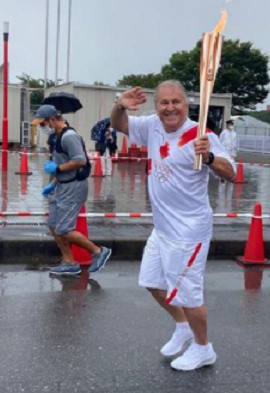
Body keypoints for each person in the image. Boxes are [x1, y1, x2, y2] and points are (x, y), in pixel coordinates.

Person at [111, 81, 235, 371]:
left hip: (189, 231)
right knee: (153, 283)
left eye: (175, 102)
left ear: (186, 104)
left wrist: (211, 158)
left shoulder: (200, 135)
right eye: (163, 102)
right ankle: (183, 327)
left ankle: (204, 348)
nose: (170, 108)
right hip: (162, 227)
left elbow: (230, 172)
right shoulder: (152, 126)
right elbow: (120, 125)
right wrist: (119, 104)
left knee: (189, 295)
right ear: (156, 106)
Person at [32, 104, 111, 276]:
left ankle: (98, 251)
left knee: (64, 229)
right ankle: (69, 262)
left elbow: (80, 160)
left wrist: (58, 168)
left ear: (52, 119)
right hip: (61, 185)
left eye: (42, 124)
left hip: (73, 187)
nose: (42, 128)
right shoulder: (56, 136)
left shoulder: (69, 137)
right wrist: (53, 184)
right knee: (53, 225)